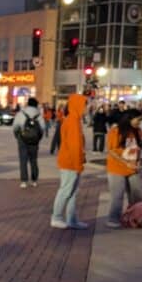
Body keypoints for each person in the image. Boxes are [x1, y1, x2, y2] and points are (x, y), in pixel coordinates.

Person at [51, 93, 89, 230]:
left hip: (71, 161)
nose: (87, 108)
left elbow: (77, 145)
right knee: (66, 191)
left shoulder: (74, 120)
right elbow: (74, 146)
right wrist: (78, 164)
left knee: (71, 192)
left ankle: (71, 219)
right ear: (78, 106)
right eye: (85, 105)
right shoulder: (72, 121)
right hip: (70, 163)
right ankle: (57, 217)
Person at [105, 109, 142, 228]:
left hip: (133, 168)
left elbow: (139, 148)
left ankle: (138, 217)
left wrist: (138, 161)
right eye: (138, 120)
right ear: (129, 118)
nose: (139, 122)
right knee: (117, 195)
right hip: (117, 168)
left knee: (136, 194)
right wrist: (126, 162)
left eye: (141, 120)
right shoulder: (116, 131)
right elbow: (112, 150)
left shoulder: (138, 131)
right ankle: (113, 219)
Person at [12, 96, 43, 188]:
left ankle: (24, 181)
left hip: (23, 139)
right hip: (34, 140)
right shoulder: (39, 115)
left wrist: (17, 136)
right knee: (33, 160)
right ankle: (34, 180)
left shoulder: (21, 113)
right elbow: (42, 128)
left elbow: (15, 126)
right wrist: (38, 138)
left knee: (23, 160)